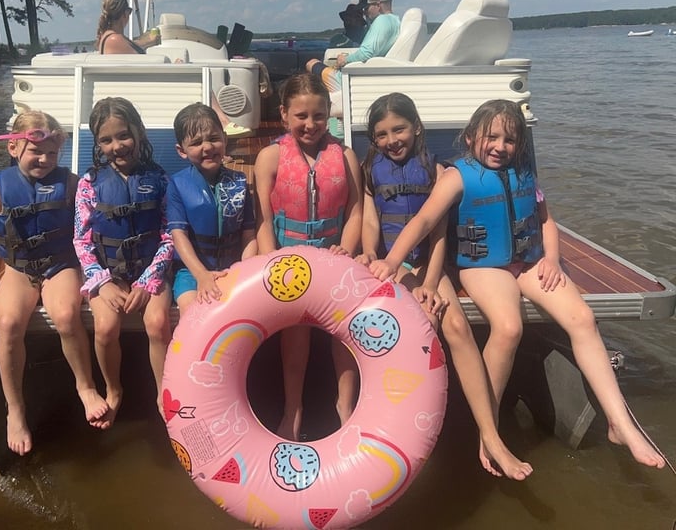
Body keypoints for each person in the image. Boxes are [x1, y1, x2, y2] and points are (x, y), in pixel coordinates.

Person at [369, 99, 667, 470]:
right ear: (471, 137)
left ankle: (619, 423)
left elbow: (545, 221)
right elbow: (425, 221)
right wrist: (392, 261)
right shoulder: (456, 176)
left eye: (509, 140)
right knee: (509, 328)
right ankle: (489, 427)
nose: (500, 146)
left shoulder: (523, 172)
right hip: (483, 267)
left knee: (583, 319)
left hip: (529, 262)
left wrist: (552, 259)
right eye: (491, 137)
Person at [356, 93, 532, 480]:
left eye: (399, 129)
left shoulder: (436, 170)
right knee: (422, 327)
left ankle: (490, 434)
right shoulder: (370, 170)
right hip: (391, 263)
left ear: (417, 128)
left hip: (426, 264)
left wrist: (432, 282)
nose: (392, 140)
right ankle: (407, 430)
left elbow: (437, 234)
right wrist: (369, 252)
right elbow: (370, 221)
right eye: (382, 134)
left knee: (456, 327)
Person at [0, 111, 108, 456]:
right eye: (36, 151)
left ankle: (85, 387)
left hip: (60, 265)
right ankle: (16, 409)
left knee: (66, 316)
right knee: (9, 324)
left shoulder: (71, 183)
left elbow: (87, 230)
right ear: (14, 149)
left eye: (52, 153)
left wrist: (95, 272)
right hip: (19, 269)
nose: (45, 159)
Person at [254, 73, 363, 441]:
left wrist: (347, 250)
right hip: (290, 262)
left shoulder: (345, 156)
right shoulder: (269, 157)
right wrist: (272, 262)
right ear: (284, 115)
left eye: (318, 115)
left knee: (343, 333)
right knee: (295, 337)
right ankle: (293, 409)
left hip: (334, 259)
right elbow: (263, 219)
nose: (310, 124)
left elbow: (355, 210)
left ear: (328, 114)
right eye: (301, 116)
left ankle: (345, 405)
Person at [73, 97, 173, 424]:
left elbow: (169, 234)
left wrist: (147, 281)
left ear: (139, 132)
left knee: (157, 322)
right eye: (106, 140)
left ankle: (163, 393)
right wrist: (101, 282)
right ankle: (114, 390)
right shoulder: (89, 184)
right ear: (97, 144)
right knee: (105, 327)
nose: (117, 146)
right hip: (106, 275)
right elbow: (81, 240)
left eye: (123, 135)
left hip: (151, 272)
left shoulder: (159, 179)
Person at [166, 103, 257, 310]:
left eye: (214, 138)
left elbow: (249, 236)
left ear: (225, 139)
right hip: (191, 273)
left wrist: (243, 272)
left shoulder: (239, 182)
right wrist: (202, 275)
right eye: (196, 142)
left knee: (243, 309)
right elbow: (179, 236)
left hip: (233, 268)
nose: (207, 147)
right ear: (181, 150)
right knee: (194, 310)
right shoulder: (177, 185)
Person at [305, 0, 400, 92]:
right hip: (361, 76)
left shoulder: (382, 20)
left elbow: (367, 53)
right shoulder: (395, 21)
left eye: (366, 7)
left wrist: (345, 60)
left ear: (378, 5)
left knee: (311, 63)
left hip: (347, 81)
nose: (365, 12)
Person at [95, 0, 161, 55]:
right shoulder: (114, 39)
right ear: (125, 13)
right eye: (129, 11)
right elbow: (137, 53)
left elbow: (133, 44)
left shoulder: (111, 37)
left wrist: (150, 41)